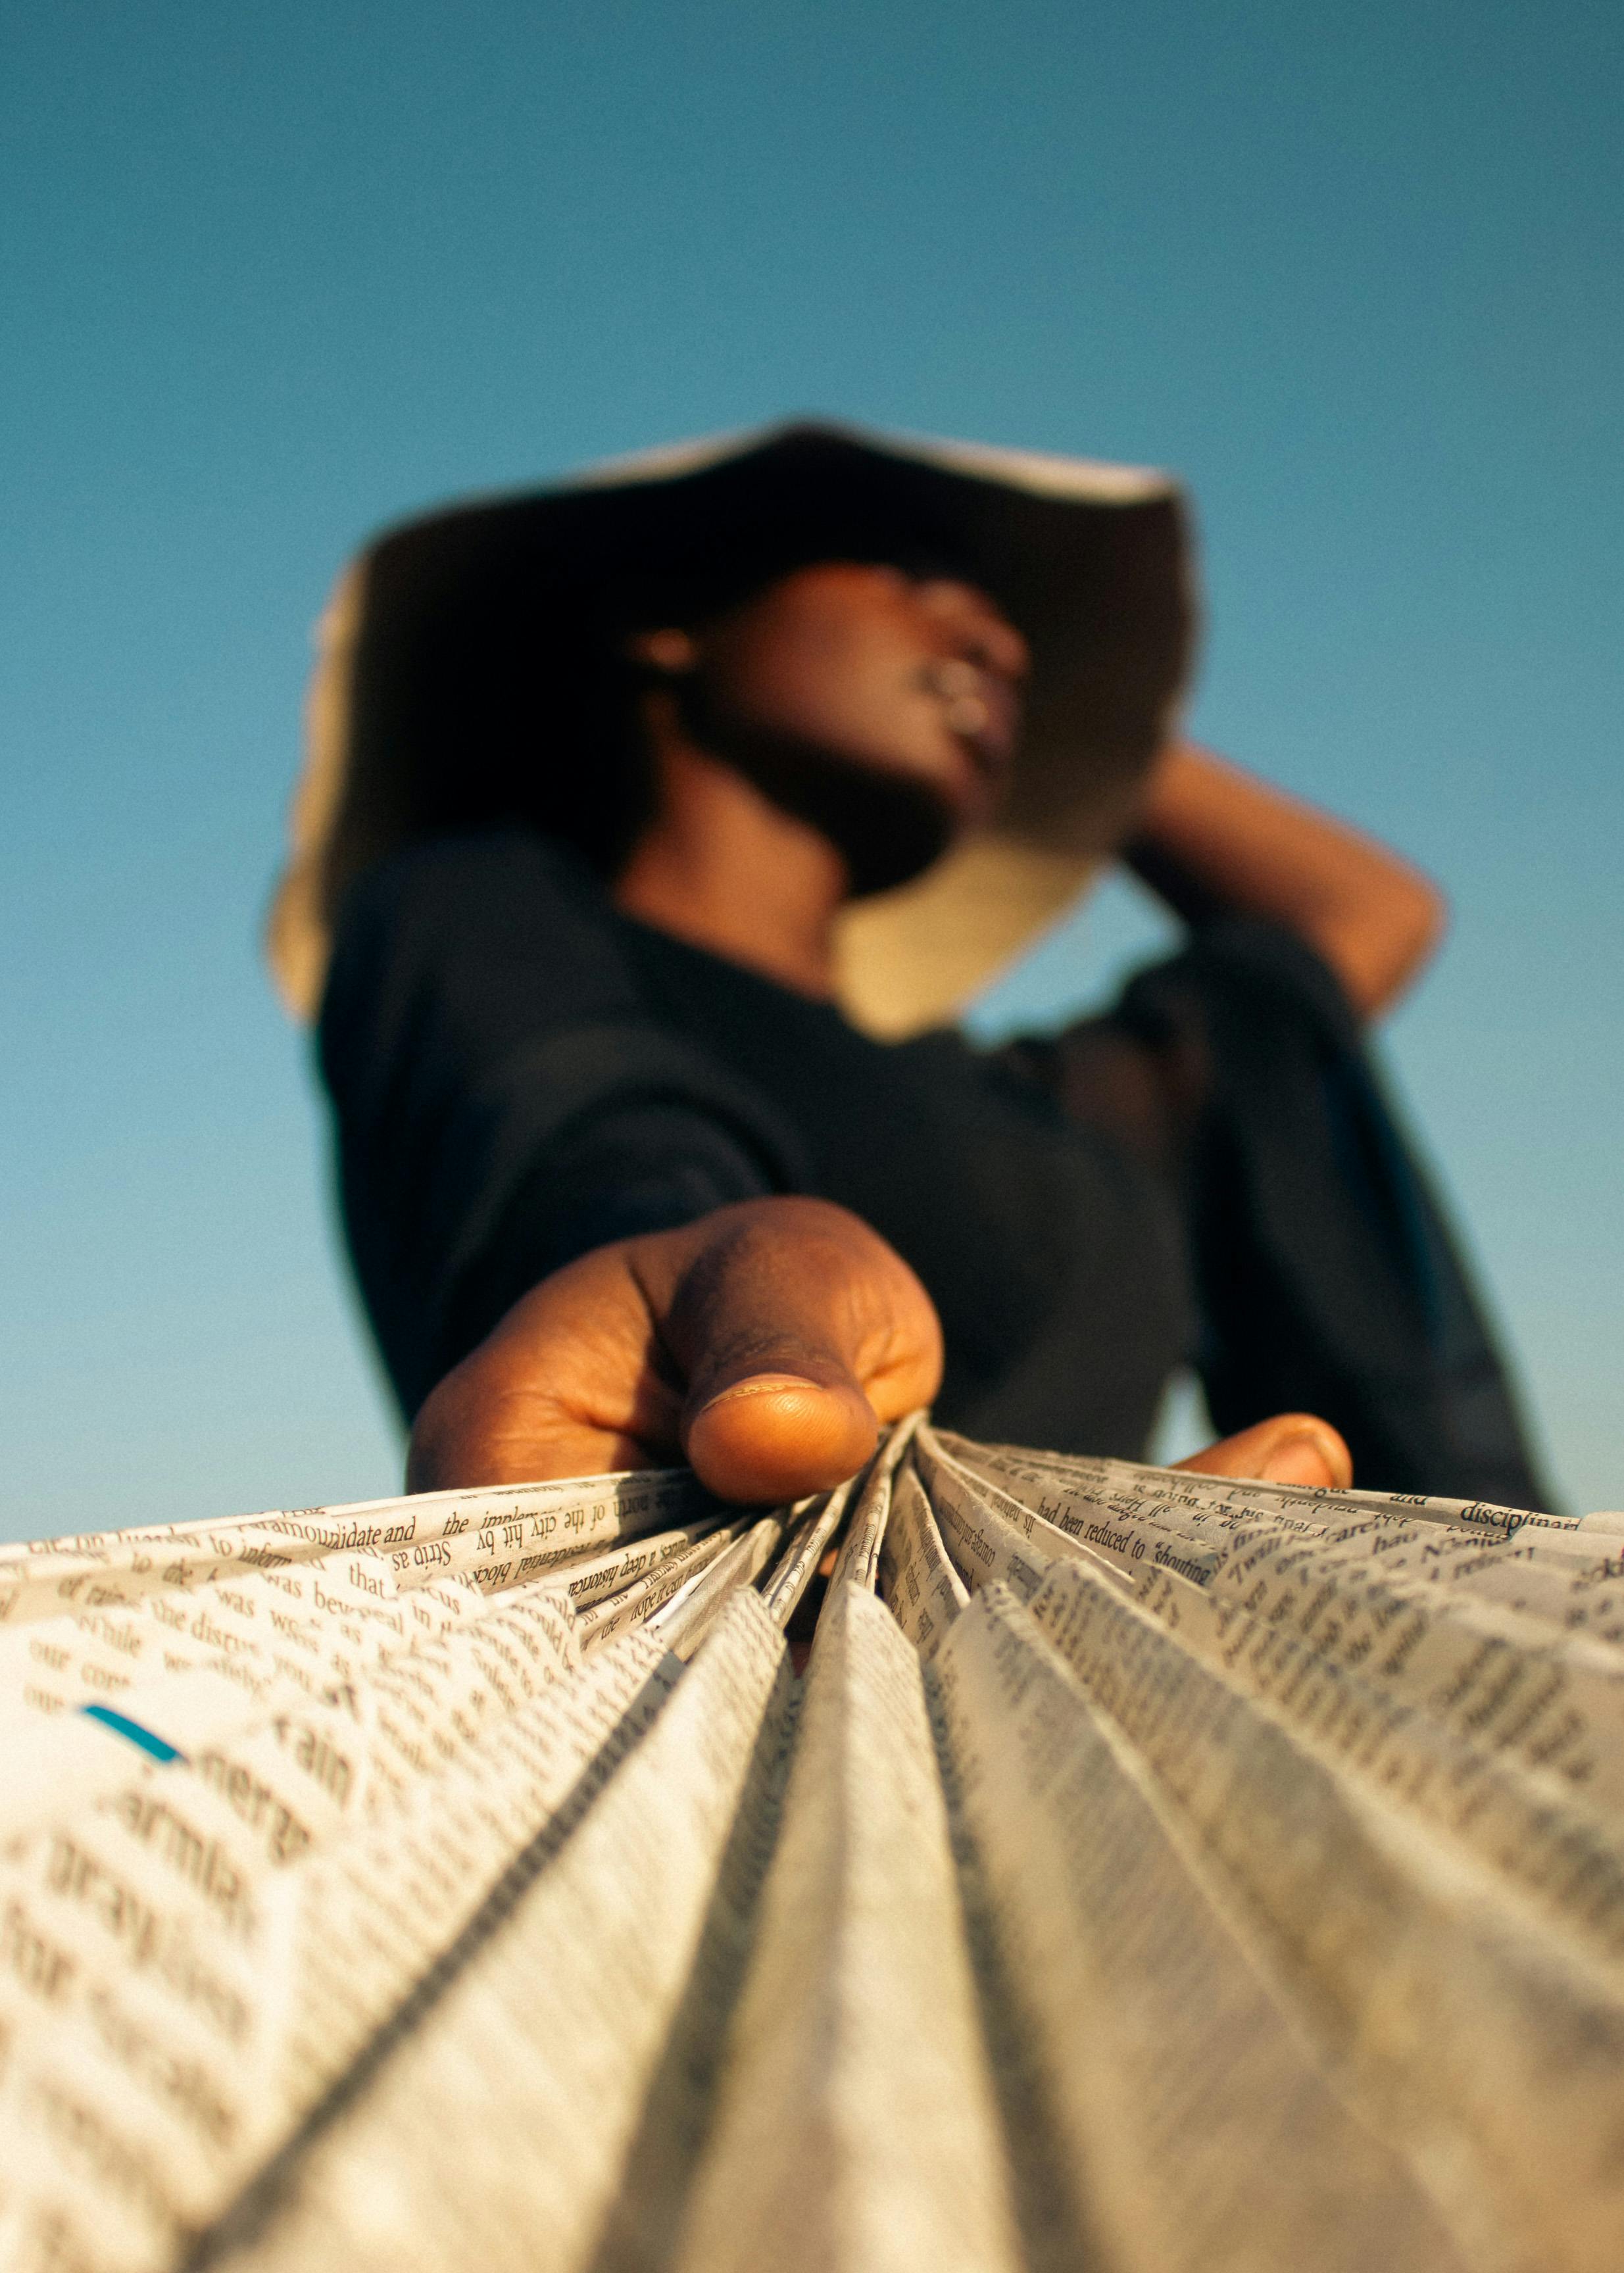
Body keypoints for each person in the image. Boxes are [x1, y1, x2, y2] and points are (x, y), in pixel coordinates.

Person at [270, 422, 1547, 1512]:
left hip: (1072, 1718)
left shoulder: (1011, 1112)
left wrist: (1062, 728)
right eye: (907, 570)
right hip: (753, 1731)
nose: (995, 637)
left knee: (1261, 1020)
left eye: (1011, 626)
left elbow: (1359, 921)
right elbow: (578, 1135)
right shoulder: (475, 905)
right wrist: (703, 1275)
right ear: (664, 621)